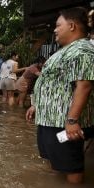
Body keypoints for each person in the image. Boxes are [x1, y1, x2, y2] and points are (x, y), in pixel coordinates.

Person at [26, 7, 94, 184]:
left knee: (72, 168)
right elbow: (55, 84)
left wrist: (72, 120)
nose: (55, 30)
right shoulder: (68, 50)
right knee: (57, 161)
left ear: (71, 26)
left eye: (58, 25)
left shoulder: (83, 49)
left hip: (63, 124)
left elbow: (84, 85)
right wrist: (37, 105)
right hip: (51, 119)